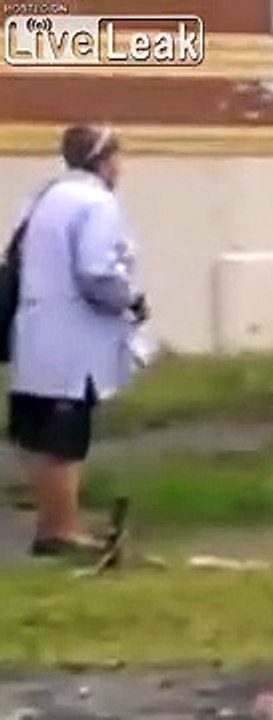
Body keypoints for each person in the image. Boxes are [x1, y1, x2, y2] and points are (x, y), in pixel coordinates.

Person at [7, 124, 148, 558]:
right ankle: (61, 530)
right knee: (66, 439)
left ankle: (52, 524)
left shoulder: (47, 196)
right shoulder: (97, 203)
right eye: (119, 158)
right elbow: (96, 272)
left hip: (34, 333)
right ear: (105, 160)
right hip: (73, 341)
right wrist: (130, 301)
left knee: (39, 436)